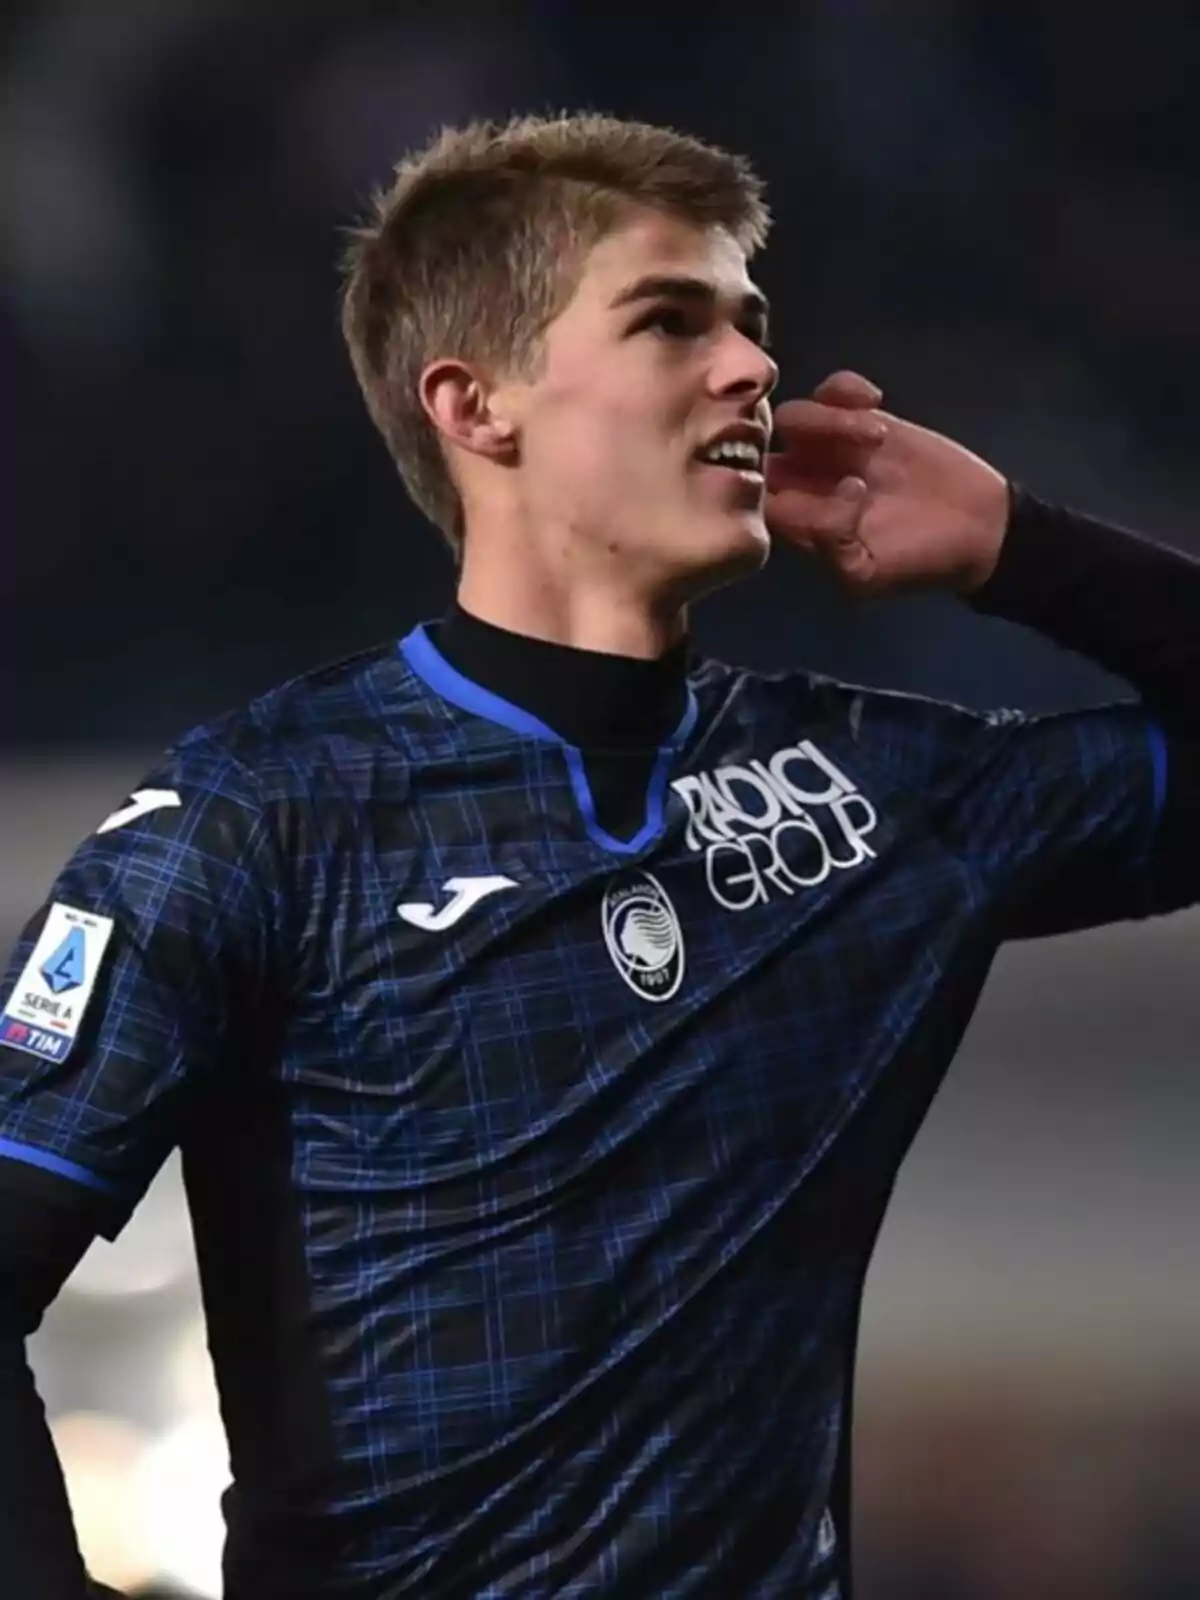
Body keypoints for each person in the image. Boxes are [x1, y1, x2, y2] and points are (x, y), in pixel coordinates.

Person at [1, 111, 1197, 1600]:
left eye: (754, 325)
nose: (756, 369)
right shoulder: (261, 819)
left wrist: (1026, 545)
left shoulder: (878, 794)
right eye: (670, 321)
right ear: (477, 404)